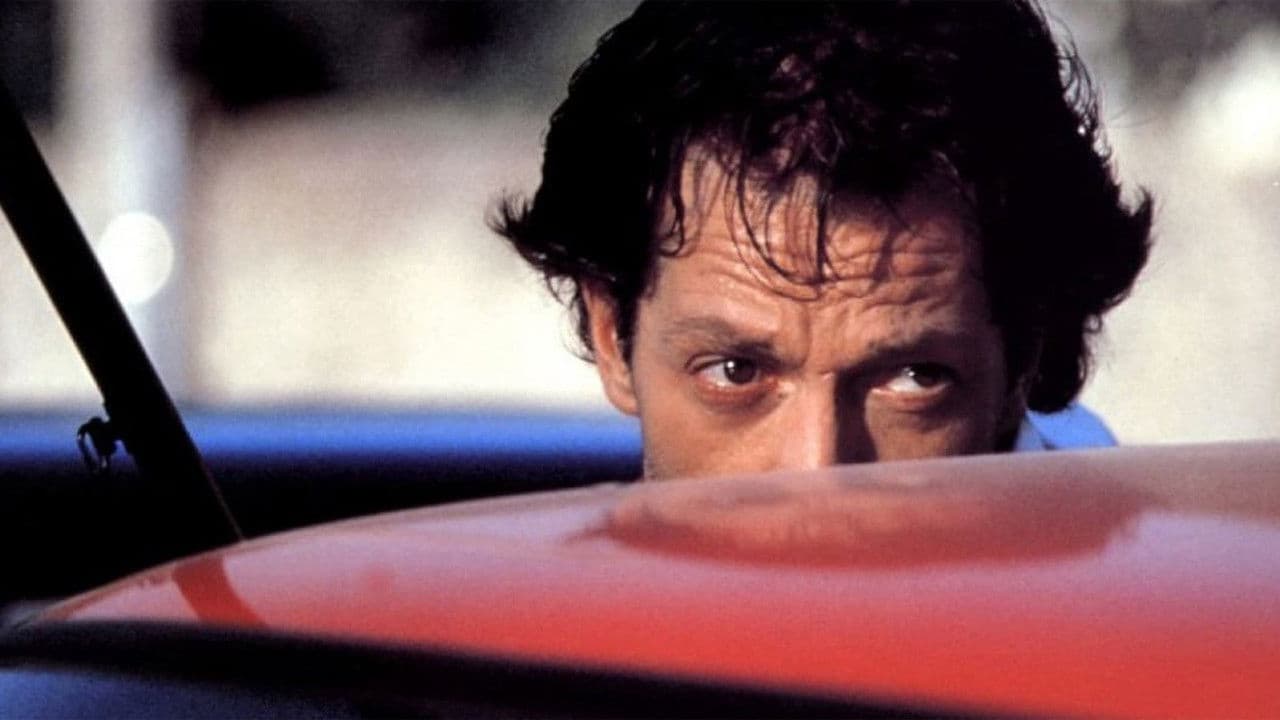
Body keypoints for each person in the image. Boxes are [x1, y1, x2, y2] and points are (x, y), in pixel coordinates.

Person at [494, 1, 1152, 479]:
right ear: (613, 338)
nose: (818, 475)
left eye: (915, 378)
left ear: (1022, 361)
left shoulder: (1140, 620)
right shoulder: (511, 621)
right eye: (735, 372)